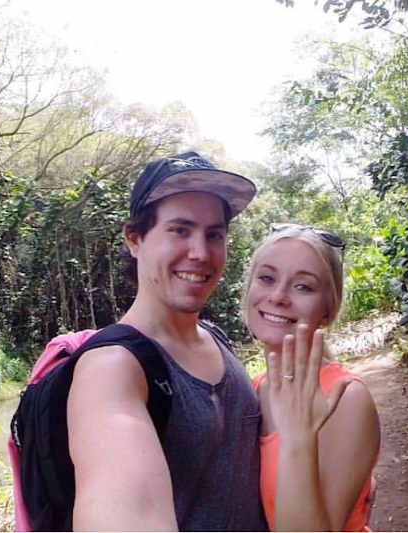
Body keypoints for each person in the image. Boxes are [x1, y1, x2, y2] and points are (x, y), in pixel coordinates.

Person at [66, 152, 268, 531]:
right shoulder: (112, 368)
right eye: (179, 230)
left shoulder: (216, 340)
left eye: (214, 235)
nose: (200, 253)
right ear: (135, 238)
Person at [241, 223, 381, 531]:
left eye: (303, 286)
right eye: (266, 278)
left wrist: (297, 440)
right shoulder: (252, 389)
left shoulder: (344, 397)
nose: (277, 296)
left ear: (328, 310)